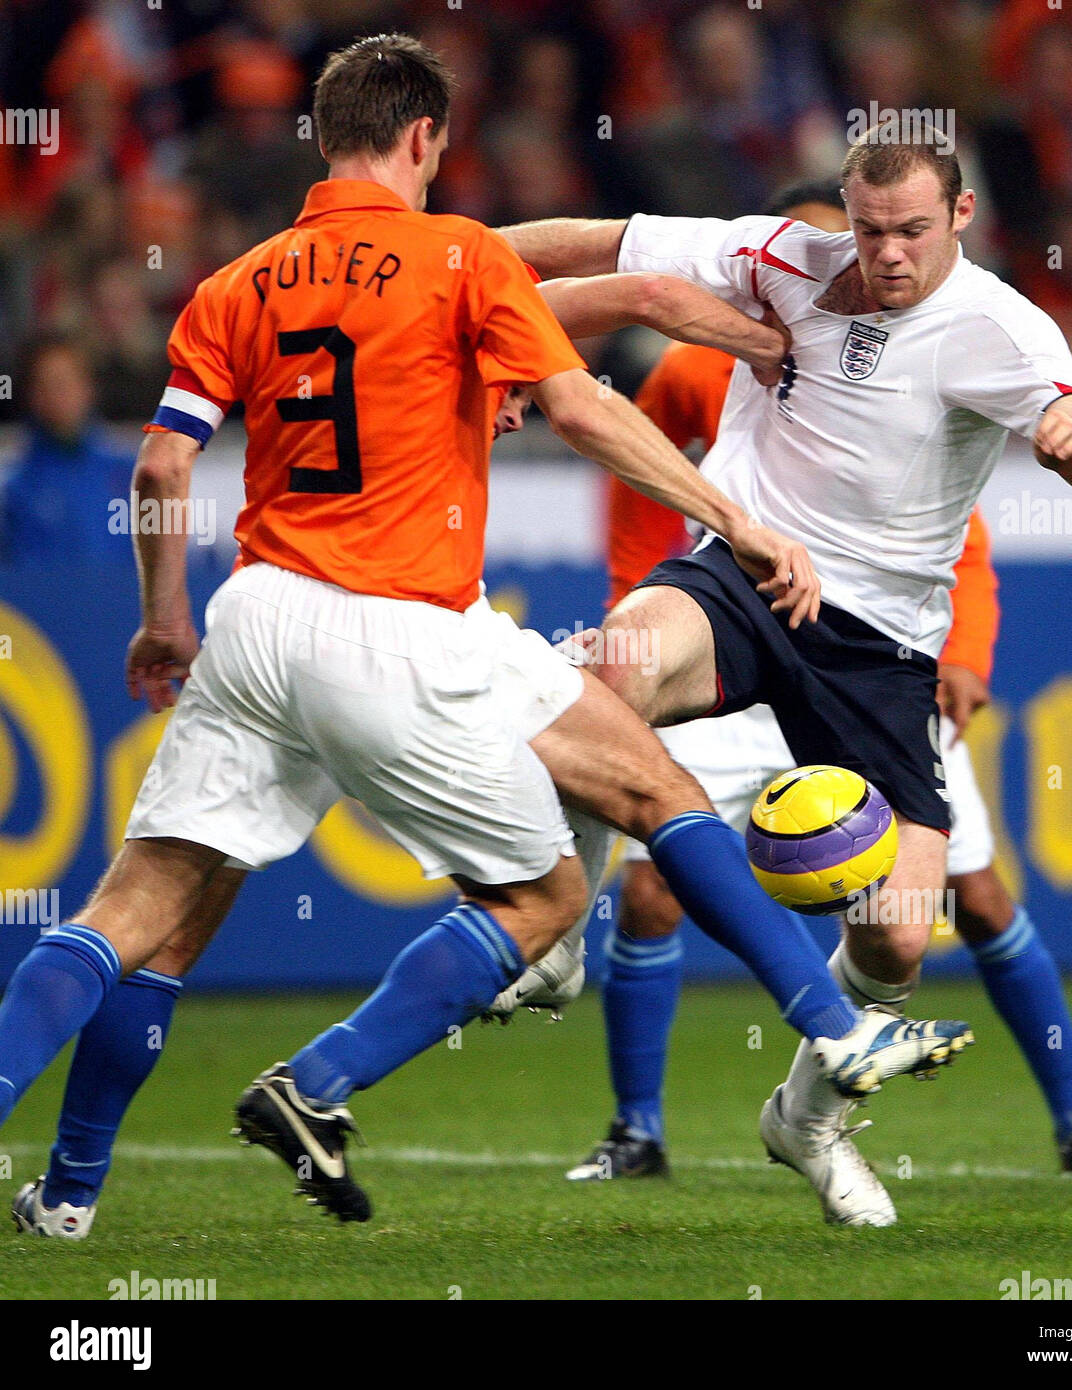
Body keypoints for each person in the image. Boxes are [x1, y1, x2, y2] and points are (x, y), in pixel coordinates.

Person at [4, 33, 970, 1238]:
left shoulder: (237, 279)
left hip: (252, 619)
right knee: (611, 828)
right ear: (426, 139)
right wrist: (740, 521)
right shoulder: (458, 255)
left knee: (134, 915)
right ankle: (830, 1028)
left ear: (321, 137)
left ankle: (70, 1198)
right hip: (403, 622)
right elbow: (584, 398)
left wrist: (162, 614)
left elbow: (160, 460)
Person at [495, 124, 1072, 1219]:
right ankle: (551, 924)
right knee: (613, 666)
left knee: (896, 932)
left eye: (912, 232)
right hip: (750, 575)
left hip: (881, 649)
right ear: (845, 210)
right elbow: (601, 240)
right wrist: (445, 250)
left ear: (962, 219)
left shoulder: (997, 326)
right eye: (871, 228)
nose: (886, 255)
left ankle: (807, 1121)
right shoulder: (788, 255)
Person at [0, 335, 133, 567]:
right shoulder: (16, 488)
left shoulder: (131, 475)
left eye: (64, 383)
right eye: (44, 385)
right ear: (32, 396)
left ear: (87, 387)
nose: (56, 396)